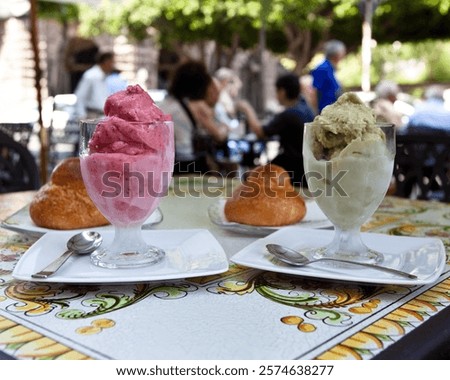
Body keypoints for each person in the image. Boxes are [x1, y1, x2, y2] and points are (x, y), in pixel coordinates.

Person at [239, 73, 315, 186]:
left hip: (291, 168)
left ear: (282, 92)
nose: (276, 96)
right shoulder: (307, 109)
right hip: (307, 167)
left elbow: (260, 132)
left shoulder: (289, 114)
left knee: (249, 176)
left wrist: (247, 109)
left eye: (277, 92)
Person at [158, 61, 228, 174]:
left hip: (165, 163)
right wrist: (226, 127)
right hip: (185, 163)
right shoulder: (197, 106)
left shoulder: (166, 104)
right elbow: (219, 136)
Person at [73, 52, 115, 119]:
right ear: (106, 62)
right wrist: (81, 116)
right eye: (112, 62)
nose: (113, 65)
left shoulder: (104, 76)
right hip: (92, 116)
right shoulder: (91, 75)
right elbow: (80, 96)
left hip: (102, 116)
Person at [310, 40, 346, 113]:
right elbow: (314, 91)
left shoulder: (331, 68)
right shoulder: (323, 68)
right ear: (337, 54)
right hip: (324, 112)